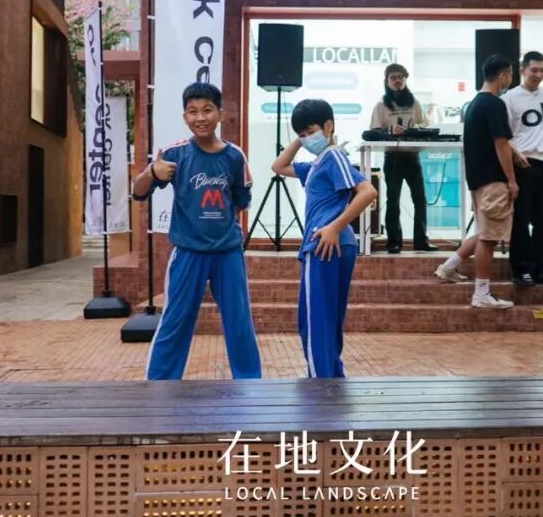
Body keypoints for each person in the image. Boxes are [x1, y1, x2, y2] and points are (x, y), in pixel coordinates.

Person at [131, 82, 262, 380]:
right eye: (193, 112)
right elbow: (138, 192)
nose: (200, 117)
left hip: (228, 254)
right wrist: (151, 172)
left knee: (239, 322)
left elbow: (240, 202)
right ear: (185, 117)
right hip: (188, 253)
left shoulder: (235, 156)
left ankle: (250, 384)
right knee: (176, 321)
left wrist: (218, 230)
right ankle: (160, 385)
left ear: (220, 114)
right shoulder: (175, 155)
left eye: (207, 110)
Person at [272, 99, 377, 378]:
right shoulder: (316, 165)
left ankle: (320, 383)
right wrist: (301, 139)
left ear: (328, 126)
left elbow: (367, 191)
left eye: (311, 132)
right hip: (332, 243)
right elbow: (279, 166)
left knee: (315, 320)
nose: (307, 139)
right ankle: (331, 377)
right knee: (327, 317)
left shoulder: (333, 157)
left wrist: (334, 227)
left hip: (324, 243)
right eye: (302, 134)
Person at [461, 54, 518, 309]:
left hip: (478, 180)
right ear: (503, 75)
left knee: (485, 234)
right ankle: (481, 293)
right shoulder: (495, 104)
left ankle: (454, 269)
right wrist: (512, 180)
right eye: (510, 75)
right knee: (488, 238)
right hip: (493, 180)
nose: (510, 80)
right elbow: (501, 143)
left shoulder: (474, 104)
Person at [503, 51, 543, 287]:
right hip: (523, 163)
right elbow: (503, 135)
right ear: (522, 70)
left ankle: (540, 268)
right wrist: (514, 155)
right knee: (521, 219)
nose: (538, 75)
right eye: (534, 70)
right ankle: (521, 269)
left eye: (542, 70)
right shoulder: (510, 98)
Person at [369, 63, 436, 253]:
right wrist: (390, 130)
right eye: (393, 77)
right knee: (393, 201)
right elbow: (373, 133)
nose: (397, 81)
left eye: (400, 77)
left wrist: (414, 129)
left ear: (405, 80)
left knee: (420, 200)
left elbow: (424, 125)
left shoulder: (414, 103)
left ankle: (421, 241)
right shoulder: (381, 105)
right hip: (393, 158)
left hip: (412, 157)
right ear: (387, 81)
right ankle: (394, 242)